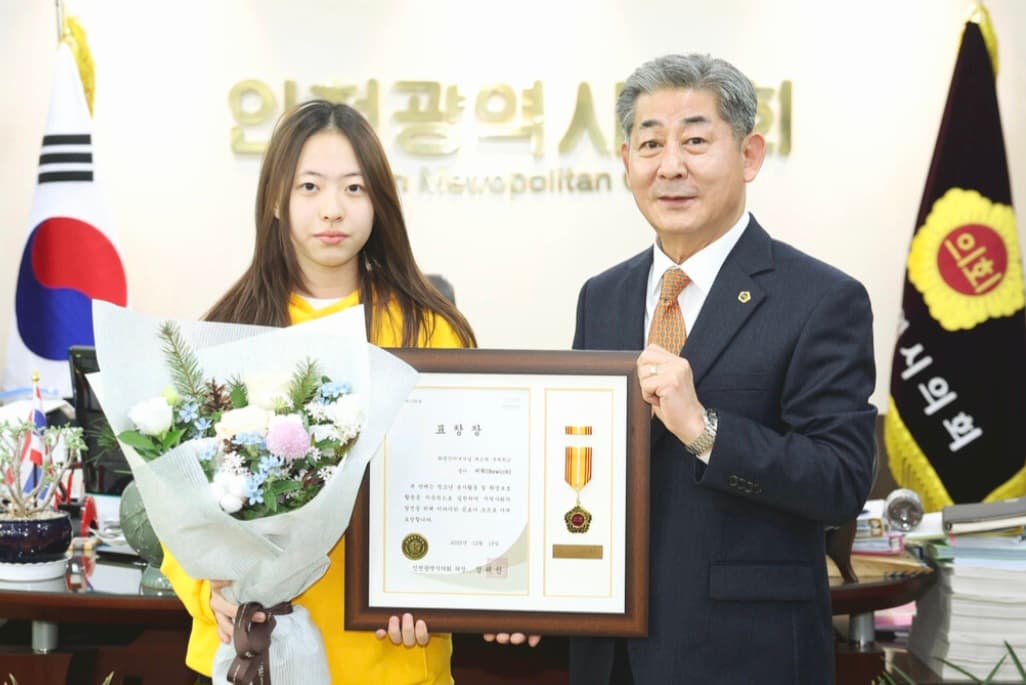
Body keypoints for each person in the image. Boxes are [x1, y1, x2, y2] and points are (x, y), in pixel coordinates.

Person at [566, 54, 877, 683]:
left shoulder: (820, 299)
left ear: (750, 155)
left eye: (697, 141)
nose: (671, 165)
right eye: (650, 143)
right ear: (627, 163)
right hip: (609, 652)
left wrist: (706, 430)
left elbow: (841, 480)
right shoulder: (603, 296)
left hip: (744, 652)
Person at [160, 99, 476, 685]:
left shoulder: (431, 332)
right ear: (277, 199)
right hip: (253, 649)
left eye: (355, 188)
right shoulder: (227, 330)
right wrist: (208, 594)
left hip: (389, 654)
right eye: (310, 186)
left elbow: (467, 488)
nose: (333, 209)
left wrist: (443, 593)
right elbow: (177, 499)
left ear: (379, 202)